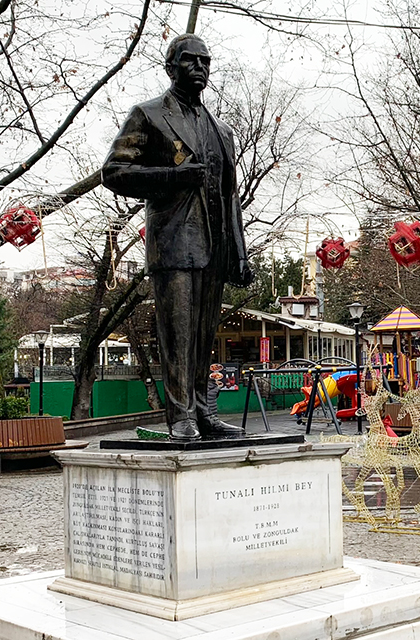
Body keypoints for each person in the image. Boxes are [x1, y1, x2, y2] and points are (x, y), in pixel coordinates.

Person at [101, 34, 252, 441]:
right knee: (178, 335)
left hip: (215, 248)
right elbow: (113, 172)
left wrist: (239, 252)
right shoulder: (148, 116)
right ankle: (181, 416)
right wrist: (172, 177)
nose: (200, 67)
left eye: (206, 61)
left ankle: (203, 412)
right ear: (171, 68)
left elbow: (229, 194)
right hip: (174, 245)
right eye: (191, 61)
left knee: (204, 338)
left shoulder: (223, 131)